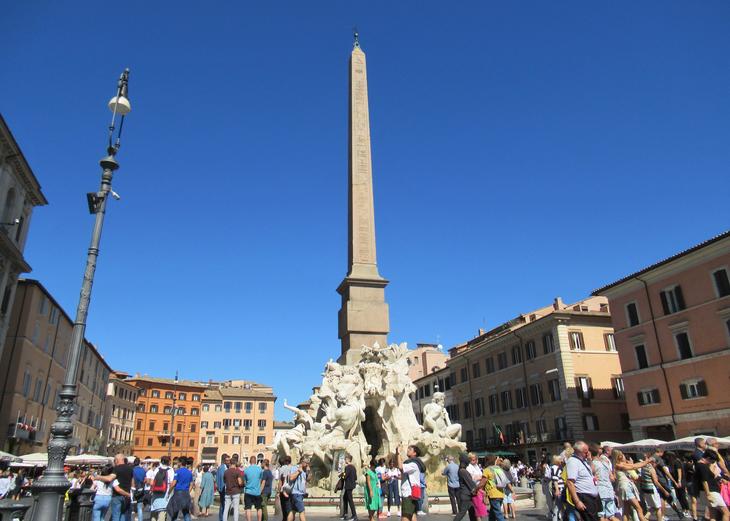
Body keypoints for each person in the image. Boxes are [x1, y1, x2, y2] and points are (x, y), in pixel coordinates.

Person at [565, 441, 600, 521]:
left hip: (592, 498)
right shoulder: (573, 461)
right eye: (585, 452)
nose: (588, 453)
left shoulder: (583, 461)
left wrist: (589, 460)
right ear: (579, 452)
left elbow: (593, 471)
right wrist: (577, 501)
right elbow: (570, 482)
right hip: (584, 497)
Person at [611, 449, 650, 521]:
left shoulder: (619, 464)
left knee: (626, 511)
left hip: (624, 486)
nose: (623, 455)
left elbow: (633, 465)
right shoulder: (618, 465)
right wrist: (647, 462)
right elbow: (633, 467)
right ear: (618, 456)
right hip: (625, 487)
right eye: (621, 454)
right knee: (639, 509)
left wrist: (645, 462)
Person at [696, 450, 729, 521]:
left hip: (707, 492)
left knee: (713, 516)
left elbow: (708, 478)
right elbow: (704, 481)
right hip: (711, 492)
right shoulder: (702, 466)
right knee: (726, 513)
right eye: (713, 461)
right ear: (708, 458)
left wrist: (720, 479)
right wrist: (708, 494)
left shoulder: (700, 465)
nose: (713, 463)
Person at [589, 444, 619, 521]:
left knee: (601, 517)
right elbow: (612, 478)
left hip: (600, 491)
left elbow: (590, 477)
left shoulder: (592, 464)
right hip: (609, 490)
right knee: (611, 516)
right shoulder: (605, 462)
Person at [396, 444, 424, 521]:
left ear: (414, 453)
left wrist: (398, 453)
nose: (408, 450)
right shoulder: (413, 464)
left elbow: (401, 467)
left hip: (408, 493)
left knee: (405, 517)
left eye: (410, 449)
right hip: (413, 493)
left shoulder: (413, 464)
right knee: (412, 515)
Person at [476, 454, 506, 521]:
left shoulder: (487, 470)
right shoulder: (499, 468)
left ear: (487, 461)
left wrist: (476, 489)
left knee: (498, 514)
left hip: (493, 495)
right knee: (492, 514)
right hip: (501, 493)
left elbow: (482, 482)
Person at [639, 455, 667, 521]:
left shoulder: (643, 468)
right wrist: (664, 491)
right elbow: (656, 482)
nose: (655, 466)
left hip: (645, 489)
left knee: (653, 506)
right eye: (655, 464)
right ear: (653, 462)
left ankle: (645, 518)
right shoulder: (651, 469)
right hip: (651, 489)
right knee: (658, 507)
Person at [452, 453, 478, 521]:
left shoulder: (462, 470)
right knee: (462, 513)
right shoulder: (463, 471)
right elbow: (471, 483)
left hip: (467, 495)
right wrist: (478, 489)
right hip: (466, 496)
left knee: (472, 512)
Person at [167, 457, 194, 521]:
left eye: (178, 462)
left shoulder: (177, 472)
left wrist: (168, 492)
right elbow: (191, 484)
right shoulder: (189, 472)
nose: (177, 463)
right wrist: (188, 491)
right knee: (186, 512)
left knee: (174, 511)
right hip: (186, 493)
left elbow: (173, 483)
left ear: (180, 463)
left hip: (178, 492)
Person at [109, 454, 134, 521]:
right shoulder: (130, 469)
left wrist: (98, 477)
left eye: (115, 460)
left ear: (117, 460)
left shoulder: (116, 469)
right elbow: (132, 481)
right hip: (126, 495)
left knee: (116, 516)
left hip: (117, 495)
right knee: (123, 515)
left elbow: (110, 479)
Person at [243, 456, 264, 521]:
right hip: (257, 492)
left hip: (248, 491)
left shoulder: (246, 470)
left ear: (250, 461)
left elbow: (244, 482)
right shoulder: (260, 470)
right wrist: (260, 489)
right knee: (259, 508)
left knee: (248, 508)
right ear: (256, 461)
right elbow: (261, 480)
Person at [342, 456, 358, 521]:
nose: (344, 460)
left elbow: (344, 477)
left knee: (350, 500)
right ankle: (345, 514)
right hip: (352, 485)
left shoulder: (347, 467)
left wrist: (342, 474)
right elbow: (355, 477)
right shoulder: (354, 467)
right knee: (344, 498)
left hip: (348, 485)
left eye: (345, 459)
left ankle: (354, 515)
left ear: (348, 460)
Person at [278, 456, 293, 521]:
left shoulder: (282, 468)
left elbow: (281, 480)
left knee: (285, 509)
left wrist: (279, 491)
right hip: (292, 490)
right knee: (290, 509)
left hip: (284, 490)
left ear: (285, 461)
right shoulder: (293, 467)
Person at [217, 454, 230, 521]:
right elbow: (218, 478)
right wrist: (219, 488)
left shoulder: (229, 468)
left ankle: (225, 518)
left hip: (228, 489)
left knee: (227, 505)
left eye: (229, 460)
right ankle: (221, 519)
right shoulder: (220, 468)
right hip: (222, 488)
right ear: (224, 461)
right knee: (222, 504)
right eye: (227, 460)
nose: (228, 462)